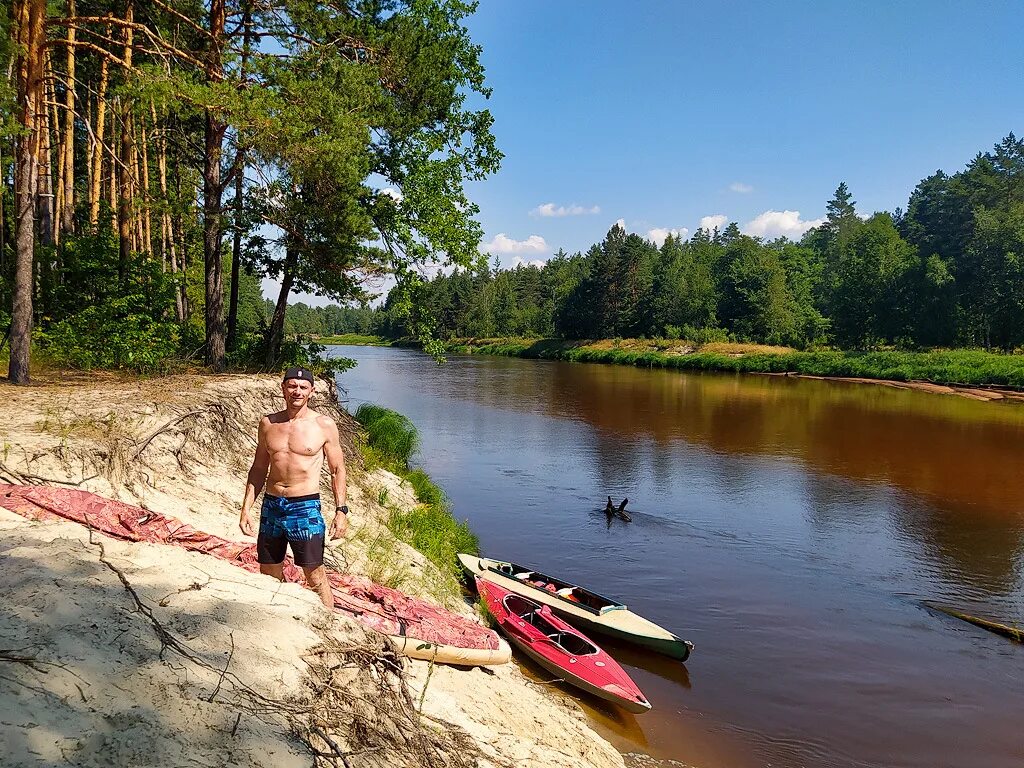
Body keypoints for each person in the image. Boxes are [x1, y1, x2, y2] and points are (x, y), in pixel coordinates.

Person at [239, 367, 348, 608]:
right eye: (291, 386)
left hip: (304, 506)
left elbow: (337, 469)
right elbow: (258, 469)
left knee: (314, 574)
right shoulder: (268, 423)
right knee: (268, 569)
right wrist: (246, 508)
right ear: (283, 388)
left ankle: (329, 621)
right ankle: (276, 616)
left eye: (302, 387)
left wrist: (341, 511)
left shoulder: (323, 425)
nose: (296, 391)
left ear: (311, 391)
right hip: (272, 506)